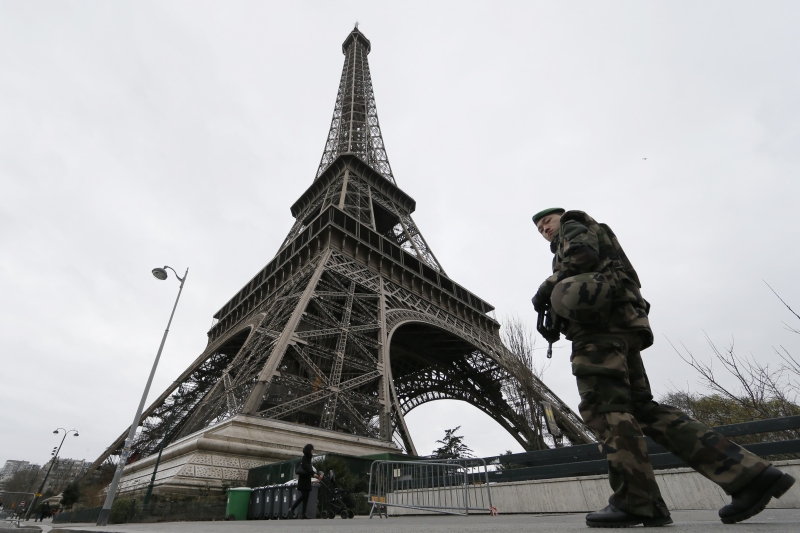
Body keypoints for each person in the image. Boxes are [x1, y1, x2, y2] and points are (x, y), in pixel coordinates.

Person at [530, 208, 796, 528]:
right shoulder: (577, 238)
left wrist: (545, 288)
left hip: (599, 330)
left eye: (548, 220)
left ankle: (635, 501)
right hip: (621, 326)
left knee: (604, 407)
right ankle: (750, 477)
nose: (545, 227)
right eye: (540, 227)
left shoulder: (575, 226)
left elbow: (582, 257)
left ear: (562, 217)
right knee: (641, 409)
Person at [290, 443, 322, 519]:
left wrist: (314, 473)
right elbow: (306, 467)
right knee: (304, 496)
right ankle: (292, 508)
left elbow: (309, 468)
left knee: (306, 497)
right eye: (311, 450)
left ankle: (304, 513)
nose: (312, 451)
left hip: (307, 479)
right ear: (309, 450)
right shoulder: (305, 458)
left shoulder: (309, 458)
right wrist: (313, 473)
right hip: (303, 480)